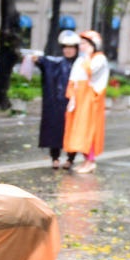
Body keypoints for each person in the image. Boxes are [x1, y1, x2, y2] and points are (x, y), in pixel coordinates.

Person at [62, 29, 108, 173]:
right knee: (78, 130)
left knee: (89, 130)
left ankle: (91, 161)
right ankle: (86, 160)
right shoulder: (81, 59)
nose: (81, 46)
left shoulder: (99, 58)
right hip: (79, 98)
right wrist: (71, 97)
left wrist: (87, 56)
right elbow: (73, 79)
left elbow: (91, 72)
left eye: (84, 43)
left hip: (90, 99)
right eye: (81, 43)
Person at [36, 30, 80, 169]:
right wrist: (36, 59)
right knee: (55, 130)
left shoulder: (81, 64)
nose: (68, 51)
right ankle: (55, 158)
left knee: (73, 130)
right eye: (66, 48)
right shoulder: (57, 63)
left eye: (71, 48)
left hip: (75, 103)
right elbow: (46, 63)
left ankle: (70, 159)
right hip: (57, 104)